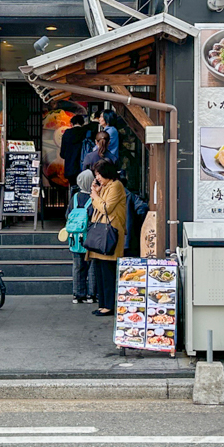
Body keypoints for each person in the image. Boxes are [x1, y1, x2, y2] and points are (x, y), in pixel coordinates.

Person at [87, 159, 127, 316]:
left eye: (99, 174)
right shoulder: (106, 186)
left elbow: (105, 207)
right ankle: (103, 303)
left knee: (107, 272)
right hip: (100, 235)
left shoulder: (116, 186)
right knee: (100, 271)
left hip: (109, 235)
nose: (97, 177)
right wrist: (98, 191)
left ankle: (109, 305)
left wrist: (96, 195)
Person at [65, 170, 96, 304]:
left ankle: (78, 295)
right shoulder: (94, 198)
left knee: (78, 267)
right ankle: (92, 294)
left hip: (75, 238)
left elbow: (68, 215)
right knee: (92, 266)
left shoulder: (75, 197)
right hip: (90, 237)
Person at [59, 114, 94, 189]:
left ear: (71, 124)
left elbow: (62, 154)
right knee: (85, 188)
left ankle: (74, 200)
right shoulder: (86, 132)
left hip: (70, 168)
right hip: (84, 167)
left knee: (73, 188)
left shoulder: (67, 133)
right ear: (82, 123)